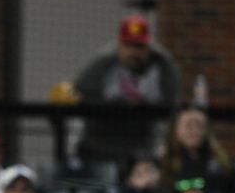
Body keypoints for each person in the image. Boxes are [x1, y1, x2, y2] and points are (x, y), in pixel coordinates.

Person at [73, 14, 180, 162]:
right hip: (99, 146)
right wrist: (120, 105)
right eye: (128, 45)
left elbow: (171, 104)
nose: (134, 52)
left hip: (142, 149)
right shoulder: (103, 63)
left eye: (139, 46)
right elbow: (81, 95)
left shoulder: (162, 66)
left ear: (149, 46)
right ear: (119, 44)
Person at [157, 105, 234, 193]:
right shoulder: (164, 165)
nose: (195, 130)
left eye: (199, 125)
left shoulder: (220, 164)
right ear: (176, 130)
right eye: (189, 125)